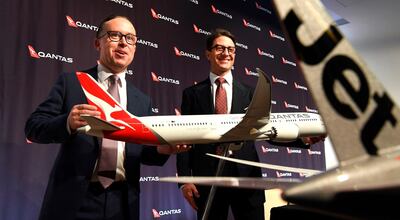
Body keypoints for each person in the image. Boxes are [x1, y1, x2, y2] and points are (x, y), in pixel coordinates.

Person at [25, 15, 187, 220]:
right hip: (74, 200)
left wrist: (164, 149)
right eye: (114, 35)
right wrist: (67, 121)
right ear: (97, 43)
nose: (123, 43)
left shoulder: (141, 100)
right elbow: (33, 127)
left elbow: (143, 153)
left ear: (135, 48)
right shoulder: (72, 82)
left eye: (130, 39)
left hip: (123, 202)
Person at [176, 29, 323, 220]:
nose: (226, 53)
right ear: (208, 53)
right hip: (208, 178)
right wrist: (184, 181)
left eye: (231, 49)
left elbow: (267, 131)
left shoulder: (251, 93)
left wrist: (301, 140)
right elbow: (183, 138)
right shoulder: (192, 94)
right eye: (220, 48)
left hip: (246, 178)